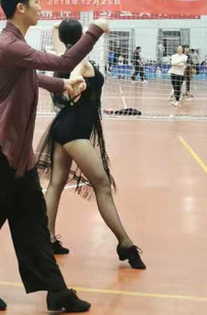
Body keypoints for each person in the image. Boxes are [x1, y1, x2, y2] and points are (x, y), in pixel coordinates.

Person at [0, 0, 108, 313]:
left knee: (34, 223)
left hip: (19, 155)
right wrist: (95, 30)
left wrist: (63, 85)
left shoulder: (16, 44)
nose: (41, 7)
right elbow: (61, 61)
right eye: (37, 2)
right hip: (1, 150)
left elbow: (32, 77)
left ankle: (57, 292)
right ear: (21, 8)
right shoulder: (9, 44)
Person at [39, 19, 145, 269]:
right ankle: (125, 244)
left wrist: (59, 31)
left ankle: (47, 239)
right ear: (81, 38)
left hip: (63, 126)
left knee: (56, 184)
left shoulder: (63, 57)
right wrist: (75, 83)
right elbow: (75, 73)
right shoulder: (80, 61)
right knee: (103, 186)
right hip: (74, 130)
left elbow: (62, 45)